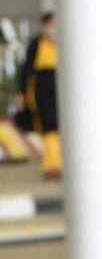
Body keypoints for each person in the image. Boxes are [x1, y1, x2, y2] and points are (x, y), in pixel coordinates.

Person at [16, 11, 62, 180]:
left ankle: (54, 164)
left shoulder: (61, 43)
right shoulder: (36, 43)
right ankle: (51, 165)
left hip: (59, 85)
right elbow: (26, 69)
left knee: (56, 127)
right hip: (41, 88)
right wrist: (21, 93)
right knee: (48, 126)